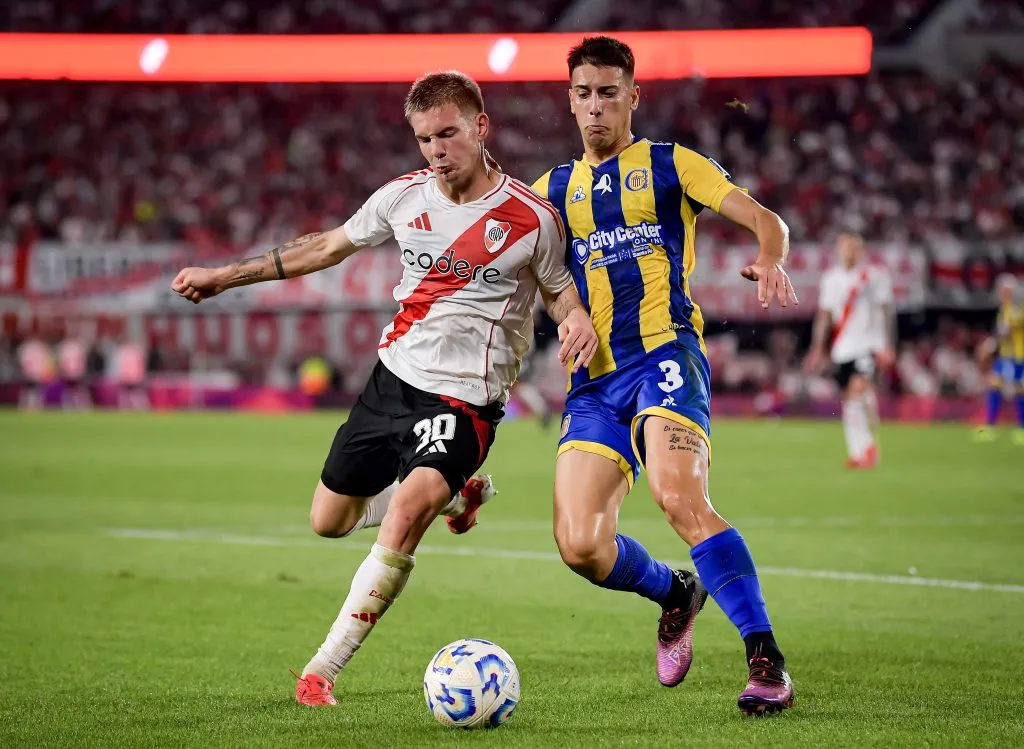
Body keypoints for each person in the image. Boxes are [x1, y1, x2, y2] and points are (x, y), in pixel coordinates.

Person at [170, 70, 598, 708]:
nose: (436, 150)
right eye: (425, 139)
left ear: (481, 127)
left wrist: (578, 319)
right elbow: (325, 248)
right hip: (391, 382)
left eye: (448, 133)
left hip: (465, 401)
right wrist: (224, 277)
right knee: (327, 521)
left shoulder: (532, 219)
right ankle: (458, 496)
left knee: (402, 515)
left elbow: (562, 292)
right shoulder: (401, 197)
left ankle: (321, 670)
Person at [531, 37, 797, 716]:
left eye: (609, 92)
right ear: (570, 100)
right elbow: (527, 277)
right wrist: (564, 316)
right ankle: (675, 593)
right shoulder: (551, 193)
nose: (596, 106)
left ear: (632, 96)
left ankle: (767, 660)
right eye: (584, 93)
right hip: (594, 380)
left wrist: (768, 257)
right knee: (580, 544)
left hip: (666, 356)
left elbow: (766, 220)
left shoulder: (670, 164)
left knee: (676, 497)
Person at [806, 232, 895, 468]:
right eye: (846, 247)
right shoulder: (831, 279)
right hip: (842, 348)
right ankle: (859, 451)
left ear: (862, 250)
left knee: (857, 391)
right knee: (850, 401)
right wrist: (817, 348)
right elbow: (824, 316)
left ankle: (867, 449)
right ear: (838, 249)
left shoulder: (874, 276)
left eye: (855, 247)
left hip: (868, 346)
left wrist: (888, 344)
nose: (850, 251)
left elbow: (886, 312)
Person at [975, 274, 1024, 443]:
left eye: (1001, 289)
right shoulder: (1006, 310)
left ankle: (1018, 429)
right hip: (1007, 357)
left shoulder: (1014, 310)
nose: (998, 292)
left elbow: (1006, 333)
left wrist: (989, 345)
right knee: (997, 386)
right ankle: (991, 427)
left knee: (1017, 390)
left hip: (1016, 357)